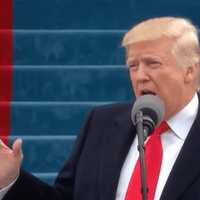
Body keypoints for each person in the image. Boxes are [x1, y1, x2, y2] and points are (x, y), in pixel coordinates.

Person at [0, 16, 200, 200]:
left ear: (189, 71)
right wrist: (11, 180)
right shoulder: (102, 124)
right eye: (133, 66)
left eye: (153, 64)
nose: (140, 76)